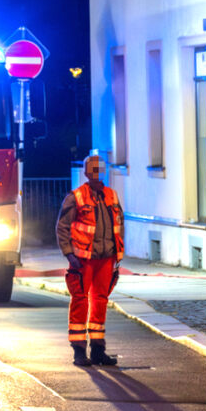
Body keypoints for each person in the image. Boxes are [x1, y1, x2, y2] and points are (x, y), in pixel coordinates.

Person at [56, 154, 124, 366]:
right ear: (86, 173)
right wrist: (69, 253)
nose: (96, 175)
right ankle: (78, 351)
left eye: (99, 170)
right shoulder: (76, 197)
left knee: (100, 301)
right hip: (83, 259)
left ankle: (97, 349)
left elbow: (119, 225)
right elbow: (62, 227)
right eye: (93, 171)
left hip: (106, 258)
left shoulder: (111, 195)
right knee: (80, 300)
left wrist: (117, 255)